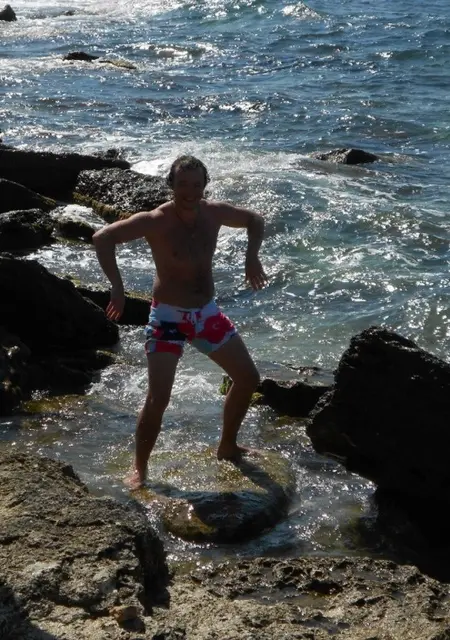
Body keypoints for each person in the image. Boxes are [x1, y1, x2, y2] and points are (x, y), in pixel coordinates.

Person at [93, 155, 267, 489]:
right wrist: (117, 287)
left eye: (196, 185)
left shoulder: (214, 213)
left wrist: (251, 257)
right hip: (168, 319)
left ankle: (227, 447)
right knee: (158, 398)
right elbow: (102, 238)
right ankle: (140, 469)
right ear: (171, 184)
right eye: (183, 184)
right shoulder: (155, 220)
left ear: (205, 185)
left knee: (248, 378)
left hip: (207, 315)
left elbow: (255, 219)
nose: (190, 192)